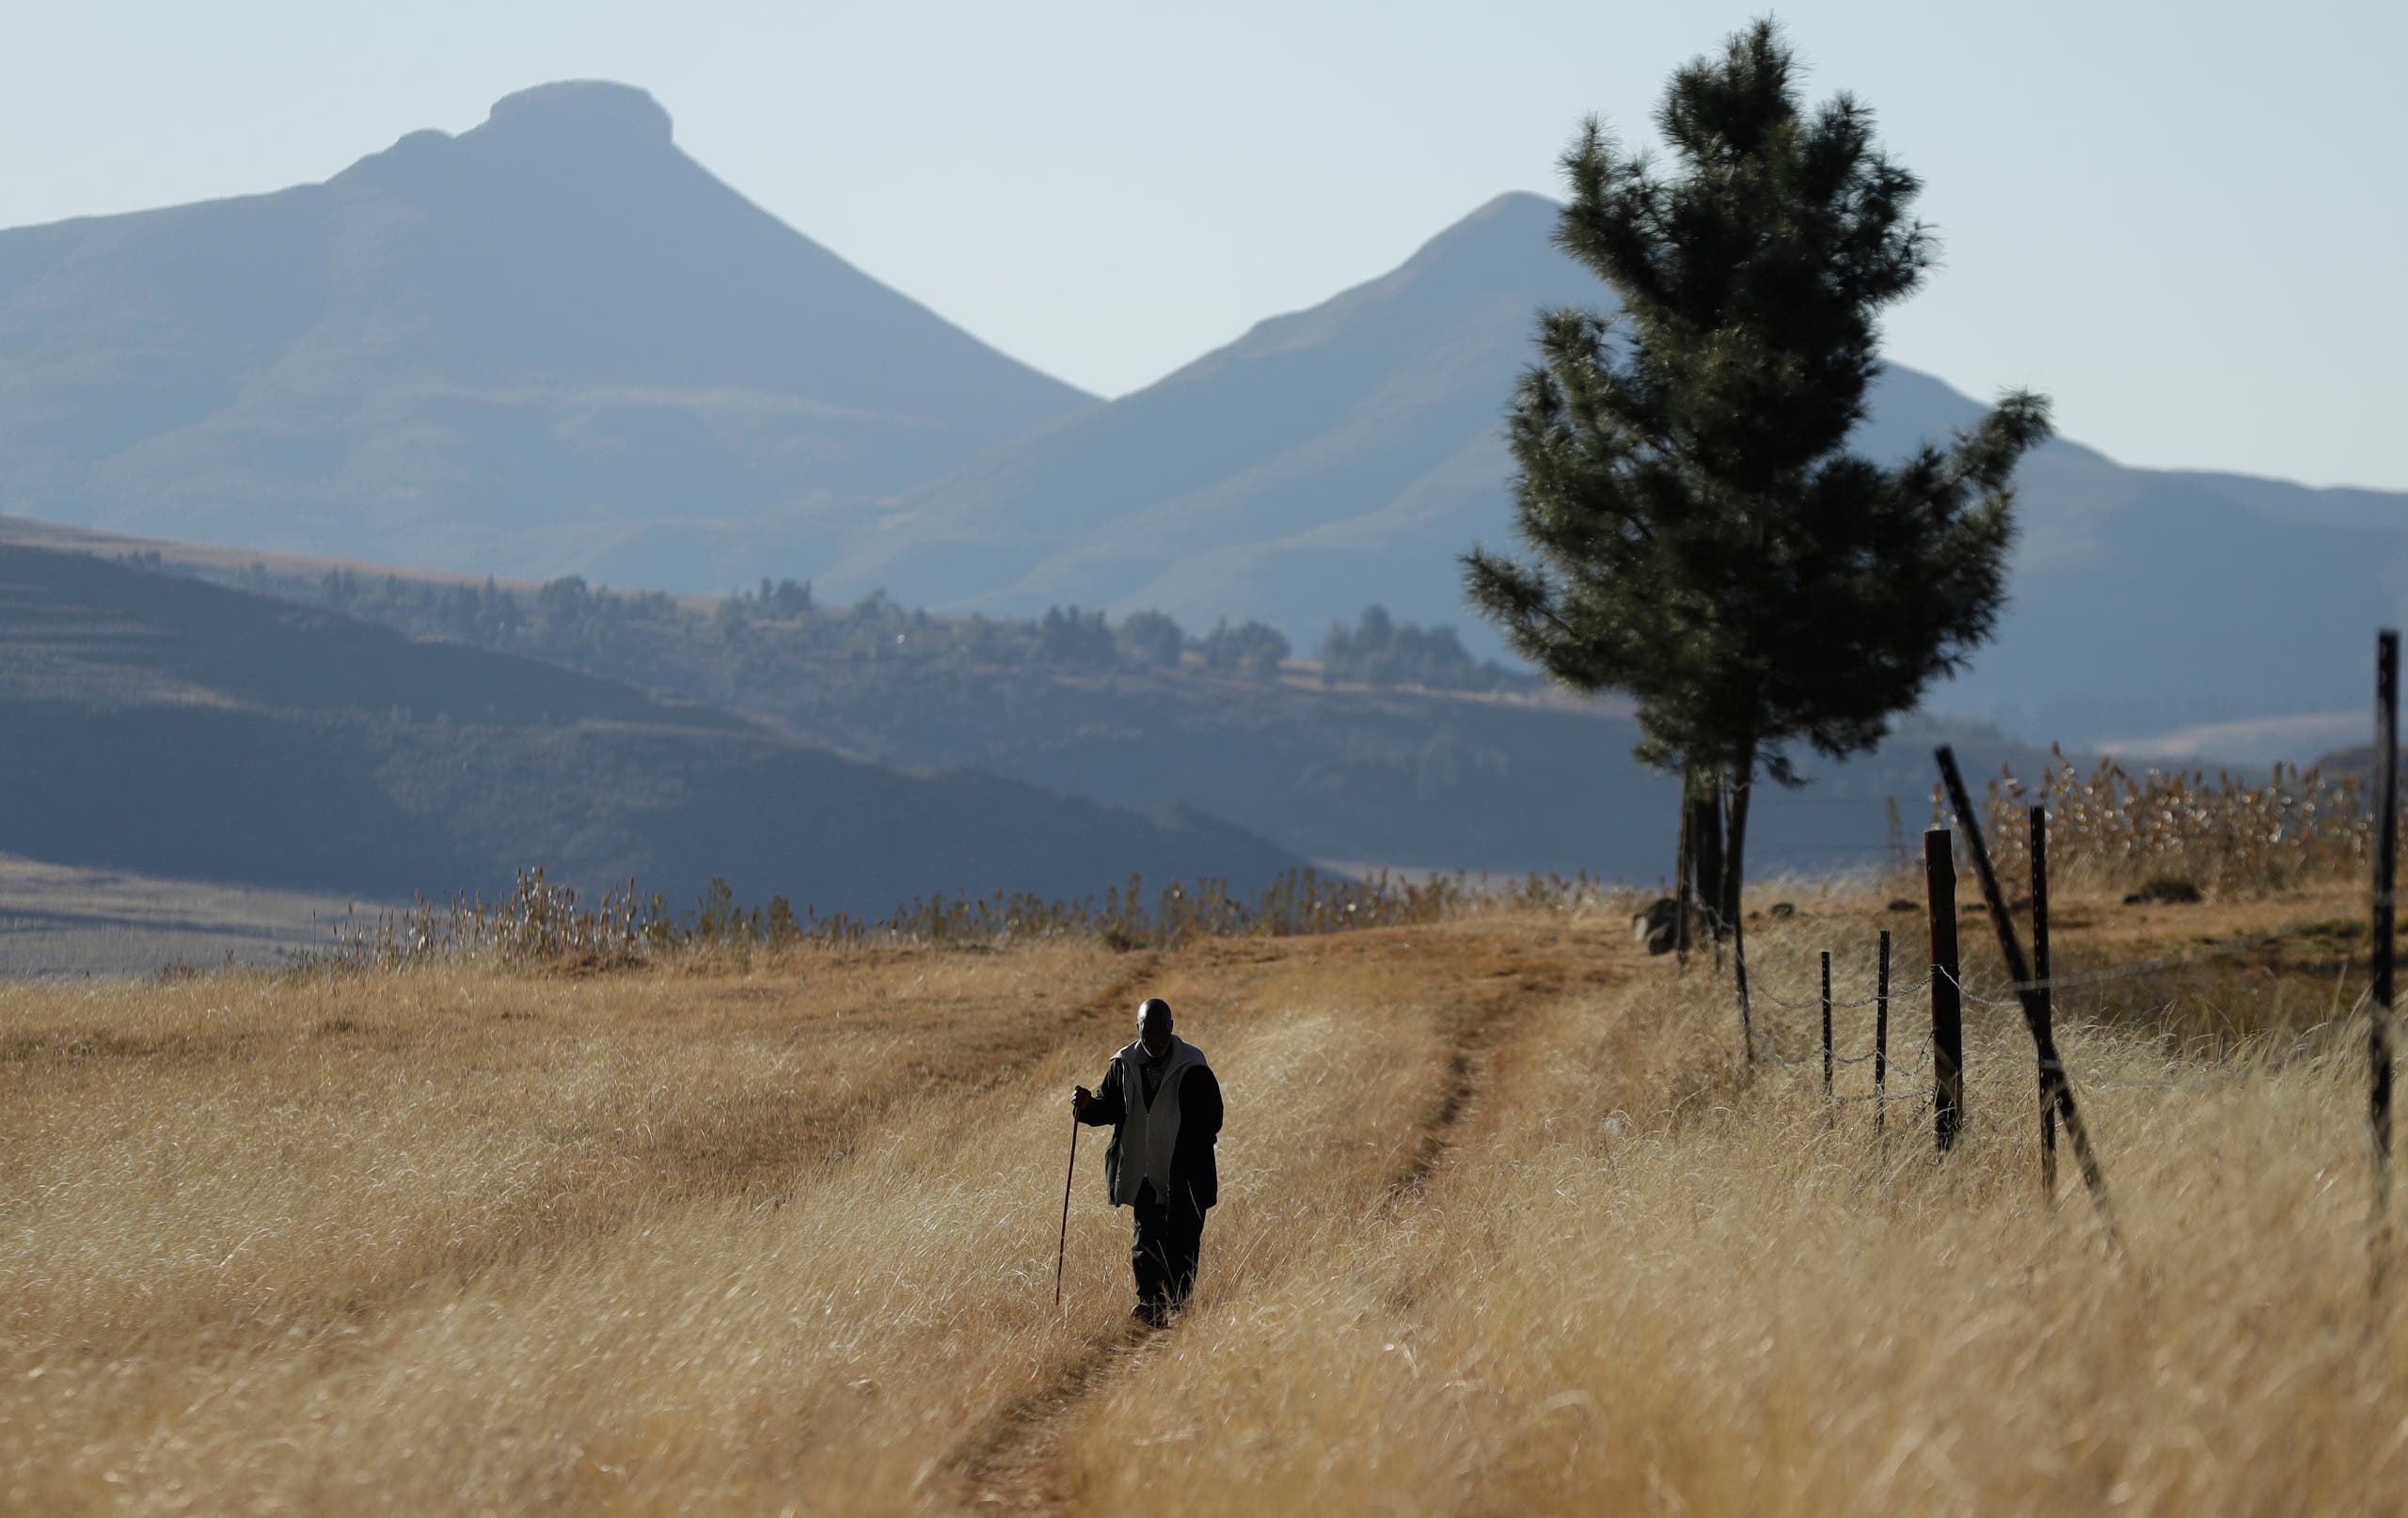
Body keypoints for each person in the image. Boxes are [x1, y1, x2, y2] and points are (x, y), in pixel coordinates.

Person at [1071, 996, 1222, 1326]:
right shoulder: (1123, 1064)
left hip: (1185, 1171)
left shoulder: (1193, 1065)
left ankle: (1179, 1304)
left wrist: (1185, 1146)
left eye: (1160, 1030)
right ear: (1137, 1028)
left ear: (1171, 1027)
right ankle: (1150, 1303)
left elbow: (1213, 1118)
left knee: (1183, 1238)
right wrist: (1086, 1107)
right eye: (1147, 1030)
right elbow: (1107, 1109)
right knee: (1146, 1236)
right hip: (1142, 1169)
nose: (1154, 1037)